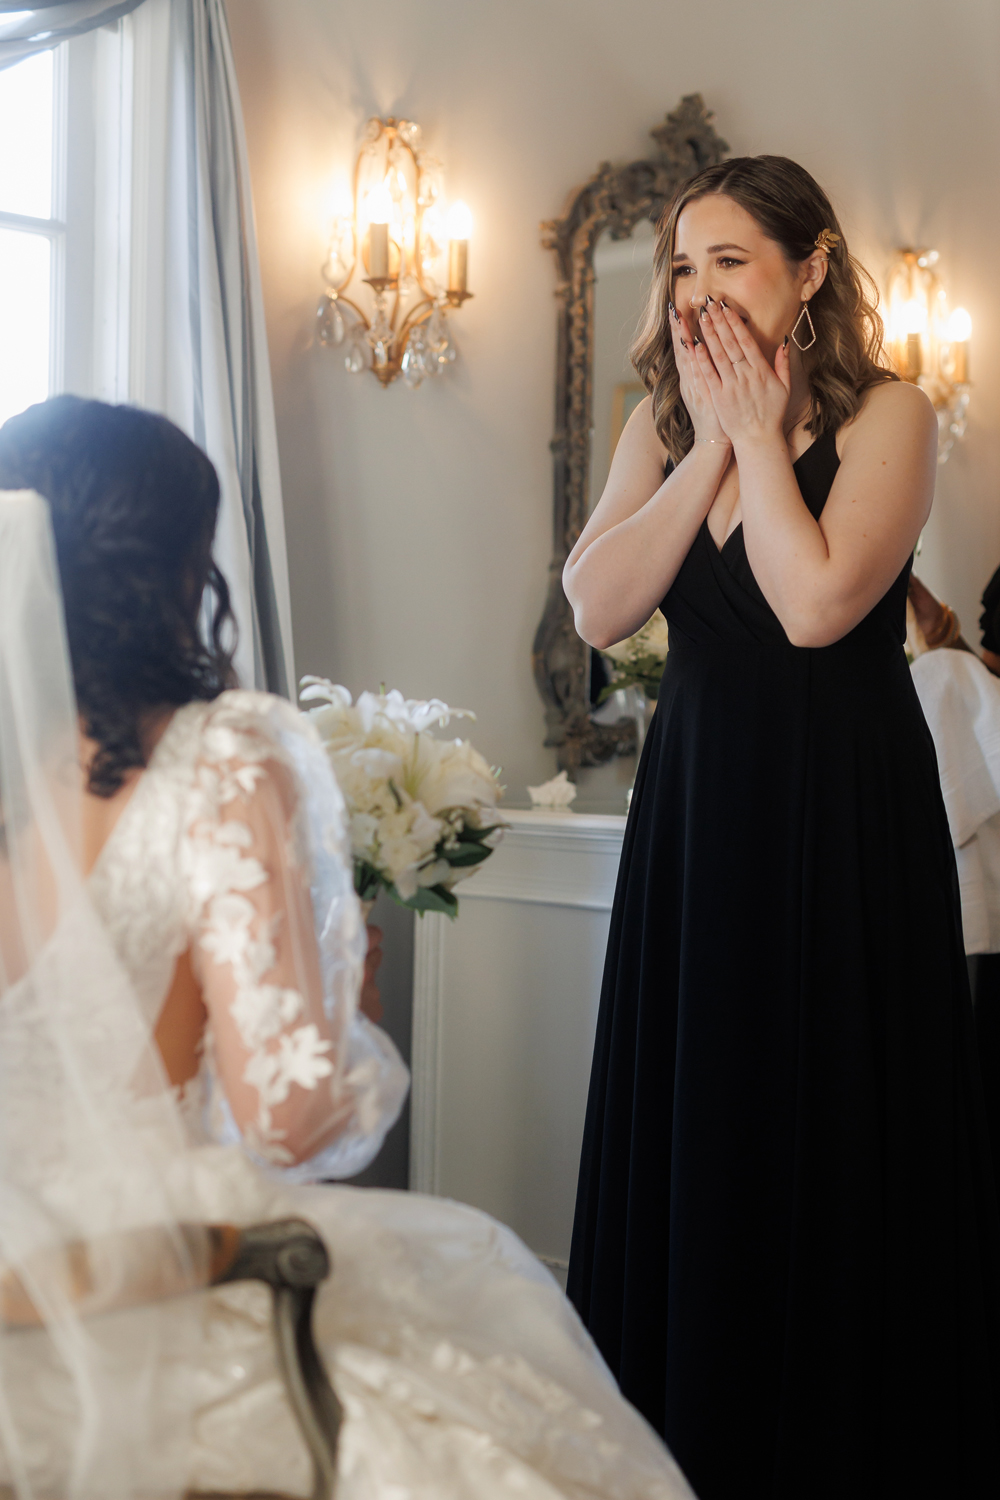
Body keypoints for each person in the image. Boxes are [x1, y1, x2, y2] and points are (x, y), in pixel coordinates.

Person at [0, 395, 692, 1500]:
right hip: (154, 1277)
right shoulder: (220, 754)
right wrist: (347, 1007)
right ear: (177, 564)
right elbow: (293, 1119)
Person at [563, 156, 1000, 1500]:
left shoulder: (890, 416)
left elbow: (814, 607)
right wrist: (700, 443)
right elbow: (596, 605)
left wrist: (756, 434)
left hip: (842, 821)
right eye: (682, 265)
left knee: (830, 1135)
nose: (696, 290)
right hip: (699, 817)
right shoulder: (660, 419)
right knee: (699, 1125)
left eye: (730, 260)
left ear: (811, 270)